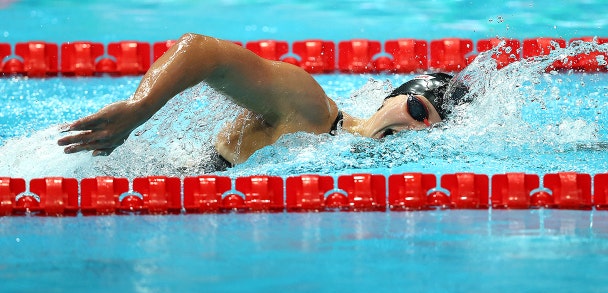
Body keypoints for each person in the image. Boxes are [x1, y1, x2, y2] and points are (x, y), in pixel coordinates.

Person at [58, 33, 460, 171]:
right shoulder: (311, 107)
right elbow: (201, 51)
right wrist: (138, 110)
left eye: (431, 130)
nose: (417, 129)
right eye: (418, 109)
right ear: (390, 99)